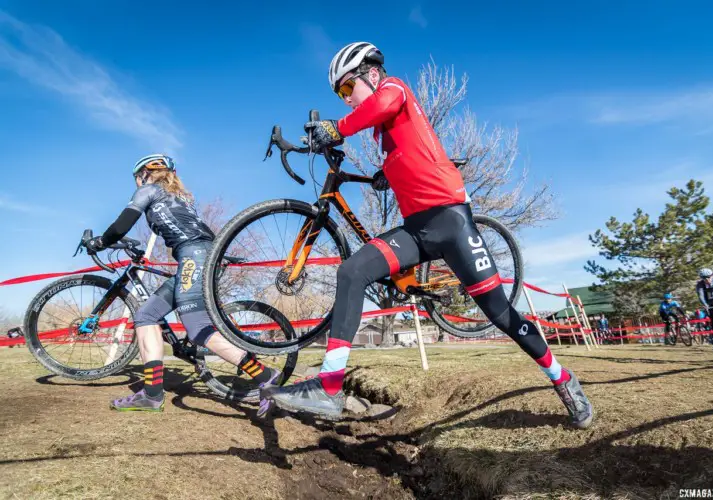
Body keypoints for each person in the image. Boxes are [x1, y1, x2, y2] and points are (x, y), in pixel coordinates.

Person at [261, 42, 594, 429]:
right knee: (351, 272)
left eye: (347, 89)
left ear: (371, 75)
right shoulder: (385, 133)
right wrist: (390, 170)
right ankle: (330, 386)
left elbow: (380, 106)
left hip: (452, 225)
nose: (347, 99)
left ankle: (563, 379)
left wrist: (337, 127)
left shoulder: (395, 90)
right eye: (341, 95)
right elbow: (404, 145)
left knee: (503, 316)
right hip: (418, 232)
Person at [87, 154, 280, 411]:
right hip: (199, 257)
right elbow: (199, 231)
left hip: (194, 258)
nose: (136, 183)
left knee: (198, 327)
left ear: (143, 174)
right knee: (146, 315)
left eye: (136, 178)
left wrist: (100, 242)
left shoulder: (148, 190)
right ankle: (152, 394)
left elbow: (121, 226)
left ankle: (265, 376)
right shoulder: (180, 197)